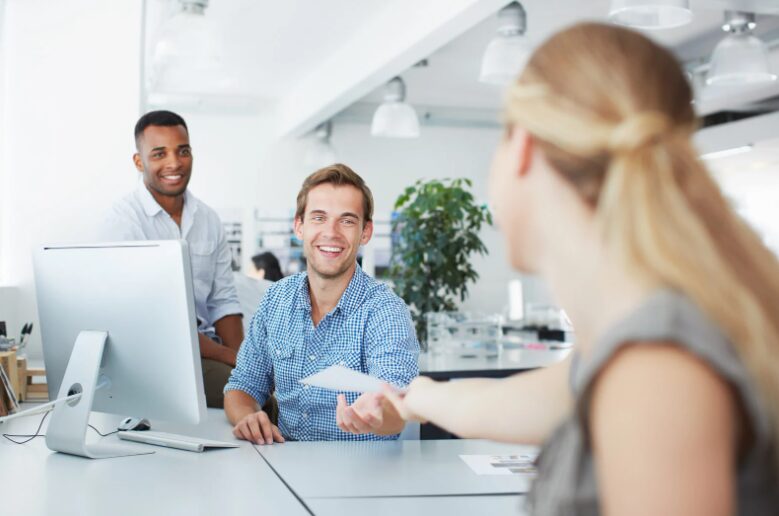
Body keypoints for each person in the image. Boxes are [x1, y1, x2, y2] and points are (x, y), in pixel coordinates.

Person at [383, 22, 779, 516]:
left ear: (522, 147)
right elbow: (498, 405)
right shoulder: (632, 347)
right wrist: (415, 398)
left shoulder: (654, 368)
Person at [224, 164, 419, 443]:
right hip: (284, 468)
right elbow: (242, 386)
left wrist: (376, 414)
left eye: (347, 220)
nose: (332, 232)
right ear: (299, 226)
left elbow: (396, 409)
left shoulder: (385, 311)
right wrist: (247, 416)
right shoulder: (276, 300)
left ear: (365, 232)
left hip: (361, 476)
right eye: (319, 218)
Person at [101, 110, 243, 409]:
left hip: (207, 349)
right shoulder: (124, 222)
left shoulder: (208, 219)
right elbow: (158, 318)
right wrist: (230, 358)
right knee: (255, 397)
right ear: (139, 162)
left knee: (268, 381)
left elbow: (224, 301)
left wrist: (246, 360)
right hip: (156, 358)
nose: (174, 163)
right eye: (159, 154)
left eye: (183, 151)